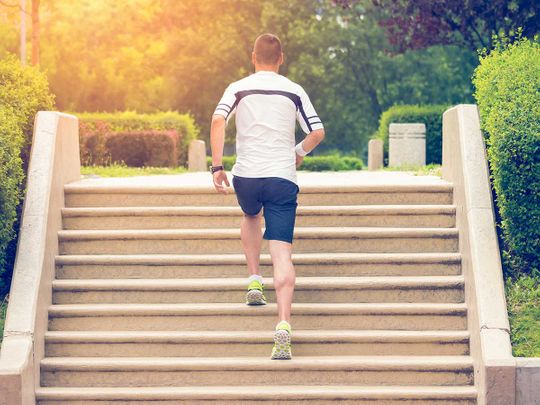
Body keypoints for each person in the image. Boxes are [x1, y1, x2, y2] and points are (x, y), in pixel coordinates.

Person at [209, 33, 325, 360]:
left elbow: (218, 119)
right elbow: (317, 131)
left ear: (252, 56)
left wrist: (218, 166)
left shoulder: (237, 87)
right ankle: (283, 325)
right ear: (282, 58)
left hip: (246, 176)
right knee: (282, 253)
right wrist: (298, 152)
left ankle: (254, 280)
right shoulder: (294, 90)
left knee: (250, 215)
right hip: (282, 178)